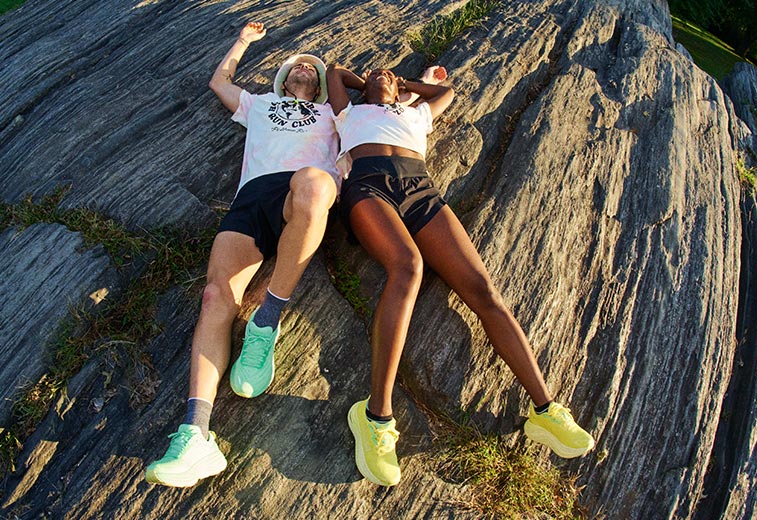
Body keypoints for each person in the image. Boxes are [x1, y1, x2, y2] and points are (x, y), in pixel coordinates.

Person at [326, 63, 595, 487]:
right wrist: (372, 84)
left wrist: (401, 86)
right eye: (376, 73)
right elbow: (335, 72)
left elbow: (446, 92)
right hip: (369, 186)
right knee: (407, 268)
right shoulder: (350, 112)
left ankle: (546, 411)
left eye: (390, 74)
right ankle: (375, 417)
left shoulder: (415, 113)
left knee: (483, 291)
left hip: (421, 191)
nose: (383, 74)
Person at [145, 22, 339, 487]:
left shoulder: (334, 113)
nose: (305, 69)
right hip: (252, 196)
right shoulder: (261, 104)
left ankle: (266, 320)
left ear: (320, 85)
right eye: (297, 66)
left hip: (303, 187)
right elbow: (220, 82)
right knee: (215, 296)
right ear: (283, 79)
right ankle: (196, 435)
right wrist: (243, 42)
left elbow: (380, 109)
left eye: (312, 69)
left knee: (315, 186)